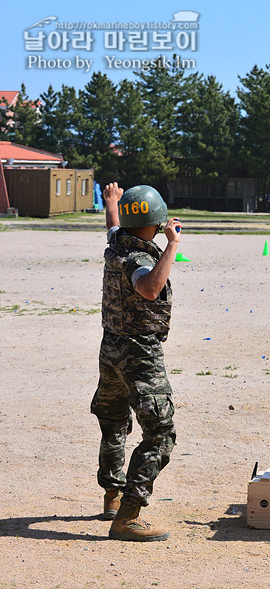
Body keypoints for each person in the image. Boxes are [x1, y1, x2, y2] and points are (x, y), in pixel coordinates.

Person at [92, 182, 181, 542]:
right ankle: (128, 517)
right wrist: (173, 245)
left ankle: (112, 497)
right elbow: (149, 288)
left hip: (110, 348)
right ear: (158, 222)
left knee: (114, 421)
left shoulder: (118, 243)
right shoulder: (139, 260)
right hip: (139, 355)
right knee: (160, 434)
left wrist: (112, 204)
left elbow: (114, 226)